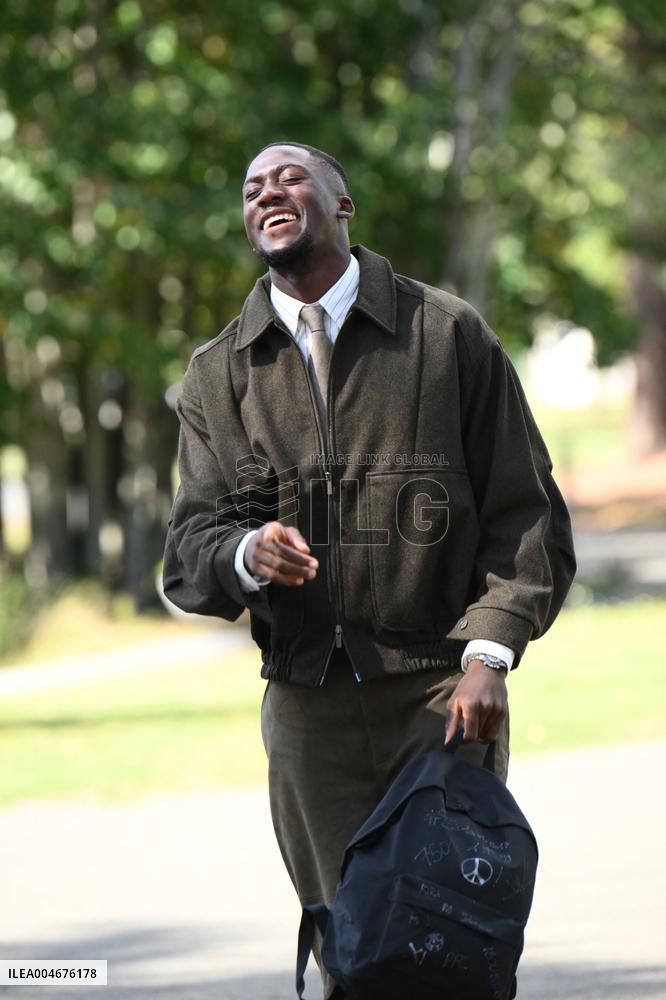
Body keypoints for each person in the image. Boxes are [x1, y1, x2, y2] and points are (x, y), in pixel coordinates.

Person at [162, 141, 576, 998]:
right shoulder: (217, 375)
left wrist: (489, 654)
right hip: (307, 713)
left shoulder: (446, 333)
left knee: (449, 948)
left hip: (440, 699)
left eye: (289, 178)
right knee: (351, 952)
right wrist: (246, 552)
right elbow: (188, 551)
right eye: (251, 188)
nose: (266, 192)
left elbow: (527, 515)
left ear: (341, 205)